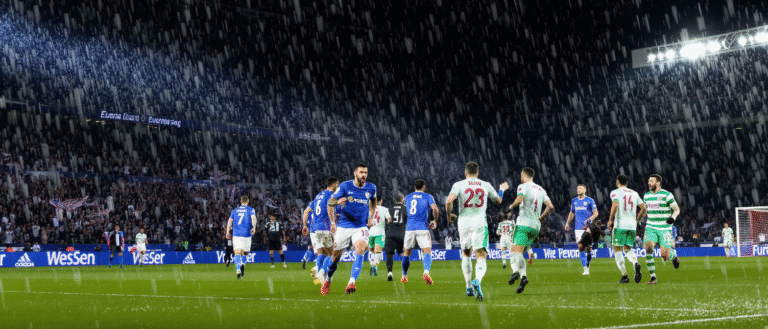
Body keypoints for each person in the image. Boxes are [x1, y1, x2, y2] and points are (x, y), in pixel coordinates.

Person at [445, 162, 508, 301]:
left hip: (463, 223)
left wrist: (449, 216)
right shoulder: (485, 184)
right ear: (477, 173)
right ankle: (477, 280)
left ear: (465, 173)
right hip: (479, 222)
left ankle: (468, 287)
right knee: (481, 255)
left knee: (466, 253)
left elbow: (449, 201)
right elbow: (498, 201)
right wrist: (501, 190)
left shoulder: (459, 184)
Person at [324, 163, 377, 295]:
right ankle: (328, 279)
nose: (364, 175)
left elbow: (374, 200)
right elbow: (330, 202)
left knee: (360, 249)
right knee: (335, 258)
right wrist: (337, 203)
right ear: (355, 173)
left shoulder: (371, 188)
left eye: (365, 172)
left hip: (360, 227)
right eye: (361, 172)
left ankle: (351, 283)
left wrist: (371, 215)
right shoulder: (345, 186)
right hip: (344, 226)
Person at [507, 167, 554, 294]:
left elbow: (519, 200)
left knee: (516, 253)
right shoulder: (541, 189)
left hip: (523, 224)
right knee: (518, 251)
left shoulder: (523, 186)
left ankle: (519, 274)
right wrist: (540, 218)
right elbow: (550, 206)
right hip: (535, 227)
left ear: (523, 175)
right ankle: (522, 276)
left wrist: (509, 207)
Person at [606, 175, 646, 284]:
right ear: (627, 182)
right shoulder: (634, 193)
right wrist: (637, 220)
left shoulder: (615, 192)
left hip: (620, 224)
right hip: (632, 226)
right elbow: (644, 208)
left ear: (617, 182)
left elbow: (615, 205)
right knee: (627, 249)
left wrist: (610, 220)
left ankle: (624, 276)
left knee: (617, 249)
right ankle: (635, 263)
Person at [643, 174, 681, 284]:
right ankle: (653, 277)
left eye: (652, 181)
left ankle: (673, 256)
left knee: (665, 255)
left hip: (665, 228)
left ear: (658, 183)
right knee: (649, 248)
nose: (649, 183)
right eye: (649, 181)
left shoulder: (667, 195)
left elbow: (677, 210)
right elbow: (646, 211)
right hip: (651, 227)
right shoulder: (646, 196)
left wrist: (672, 218)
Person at [401, 179, 439, 284]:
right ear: (424, 186)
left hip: (409, 228)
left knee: (407, 253)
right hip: (422, 227)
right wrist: (435, 221)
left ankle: (404, 276)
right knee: (427, 251)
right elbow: (435, 209)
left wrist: (406, 223)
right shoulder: (427, 196)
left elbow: (403, 212)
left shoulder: (407, 197)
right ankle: (426, 272)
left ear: (415, 187)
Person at [308, 177, 339, 288]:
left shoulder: (318, 196)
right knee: (332, 254)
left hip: (316, 228)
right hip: (325, 226)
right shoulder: (331, 195)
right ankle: (321, 274)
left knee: (323, 253)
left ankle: (317, 269)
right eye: (337, 184)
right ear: (334, 184)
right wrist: (332, 223)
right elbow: (329, 207)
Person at [565, 184, 598, 275]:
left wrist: (591, 219)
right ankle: (585, 269)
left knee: (588, 249)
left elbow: (596, 213)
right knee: (580, 246)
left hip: (588, 228)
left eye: (580, 188)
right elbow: (571, 213)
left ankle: (588, 263)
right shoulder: (574, 201)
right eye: (577, 188)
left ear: (585, 189)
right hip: (578, 228)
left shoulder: (590, 200)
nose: (578, 190)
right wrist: (567, 223)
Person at [226, 195, 257, 279]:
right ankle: (243, 264)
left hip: (236, 234)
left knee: (237, 252)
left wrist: (227, 231)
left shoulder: (234, 210)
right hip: (247, 233)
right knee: (246, 252)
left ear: (240, 201)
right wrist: (254, 227)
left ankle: (238, 269)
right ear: (248, 201)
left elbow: (230, 221)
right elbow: (253, 218)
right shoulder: (251, 209)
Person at [385, 193, 407, 282]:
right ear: (403, 199)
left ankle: (390, 272)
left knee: (389, 254)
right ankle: (404, 274)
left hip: (390, 233)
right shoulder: (406, 208)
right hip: (401, 234)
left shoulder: (389, 209)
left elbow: (387, 221)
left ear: (395, 200)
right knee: (403, 253)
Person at [368, 195, 389, 276]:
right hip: (380, 232)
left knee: (371, 251)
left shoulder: (369, 210)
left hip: (371, 232)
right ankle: (375, 265)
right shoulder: (384, 209)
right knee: (378, 252)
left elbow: (367, 221)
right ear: (381, 201)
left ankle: (371, 264)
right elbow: (389, 219)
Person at [301, 199, 316, 270]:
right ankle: (320, 262)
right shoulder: (319, 211)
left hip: (311, 231)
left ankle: (305, 259)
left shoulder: (309, 213)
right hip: (319, 230)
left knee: (310, 247)